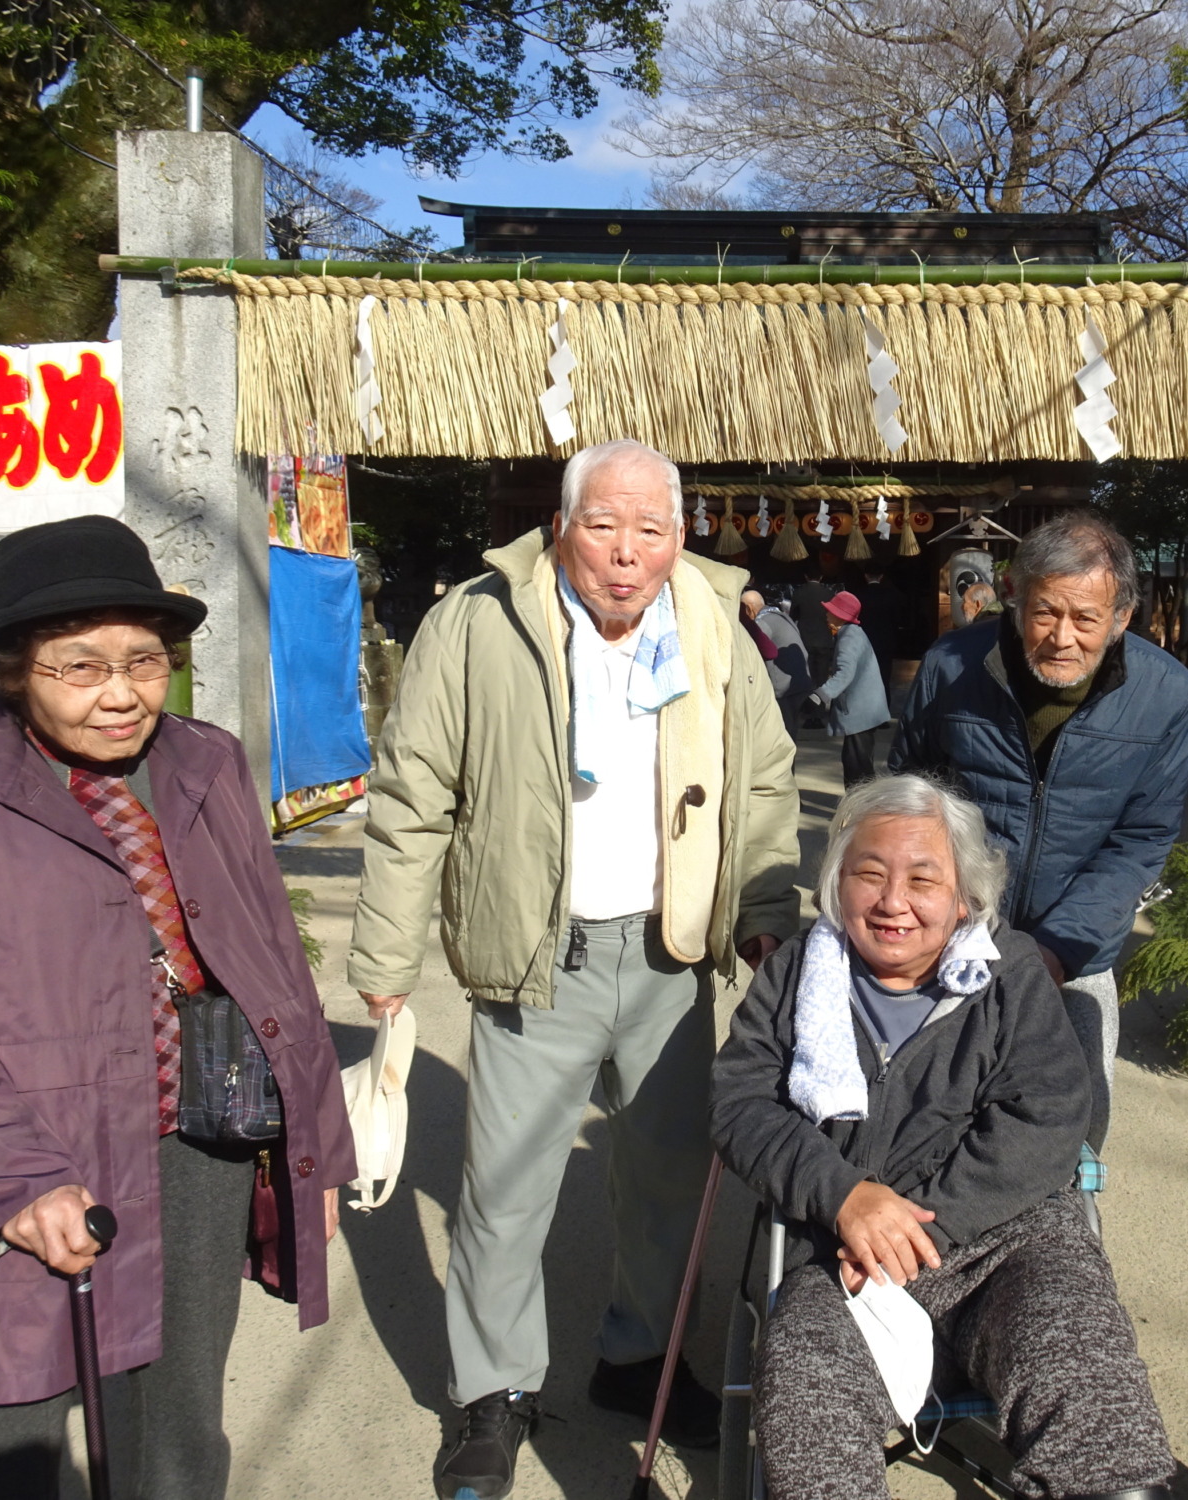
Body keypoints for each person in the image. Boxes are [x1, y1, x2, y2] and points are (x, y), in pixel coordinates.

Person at [0, 515, 354, 1500]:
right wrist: (13, 1181)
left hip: (196, 1143)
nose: (122, 692)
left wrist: (317, 1154)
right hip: (37, 1145)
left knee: (175, 1431)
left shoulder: (205, 761)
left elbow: (271, 966)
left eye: (143, 661)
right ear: (11, 668)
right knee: (12, 1429)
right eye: (80, 667)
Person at [347, 438, 802, 1499]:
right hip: (533, 951)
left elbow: (763, 781)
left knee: (668, 1179)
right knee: (503, 1189)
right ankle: (491, 1394)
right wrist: (386, 958)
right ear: (560, 527)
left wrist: (764, 911)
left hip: (670, 949)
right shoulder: (476, 619)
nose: (627, 552)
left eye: (650, 529)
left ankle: (640, 1359)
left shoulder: (709, 625)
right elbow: (415, 794)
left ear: (679, 536)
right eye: (603, 524)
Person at [712, 775, 1177, 1500]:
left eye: (923, 880)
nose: (893, 902)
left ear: (965, 897)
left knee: (1082, 1365)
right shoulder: (797, 972)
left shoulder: (1011, 972)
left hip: (1004, 1243)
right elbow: (742, 1103)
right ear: (837, 885)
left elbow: (1049, 1114)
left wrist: (918, 1229)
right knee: (808, 1392)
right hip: (837, 1252)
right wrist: (846, 1197)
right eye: (869, 874)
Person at [890, 511, 1188, 1148]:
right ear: (1013, 598)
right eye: (1044, 612)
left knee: (1070, 1133)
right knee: (932, 1119)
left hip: (1076, 952)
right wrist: (940, 915)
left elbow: (1140, 841)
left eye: (1086, 619)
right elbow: (906, 801)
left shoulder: (1167, 693)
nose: (1062, 637)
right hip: (954, 937)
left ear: (1121, 618)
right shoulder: (953, 666)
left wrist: (1055, 950)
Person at [811, 590, 890, 787]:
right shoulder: (851, 633)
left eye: (830, 611)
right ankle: (863, 809)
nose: (826, 614)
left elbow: (844, 674)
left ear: (839, 615)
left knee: (857, 770)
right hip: (866, 710)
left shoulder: (849, 637)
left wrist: (820, 695)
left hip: (860, 712)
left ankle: (860, 812)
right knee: (860, 765)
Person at [749, 587, 813, 731]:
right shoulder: (781, 616)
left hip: (784, 687)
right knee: (791, 731)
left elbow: (752, 648)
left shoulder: (762, 622)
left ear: (749, 609)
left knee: (784, 732)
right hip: (799, 682)